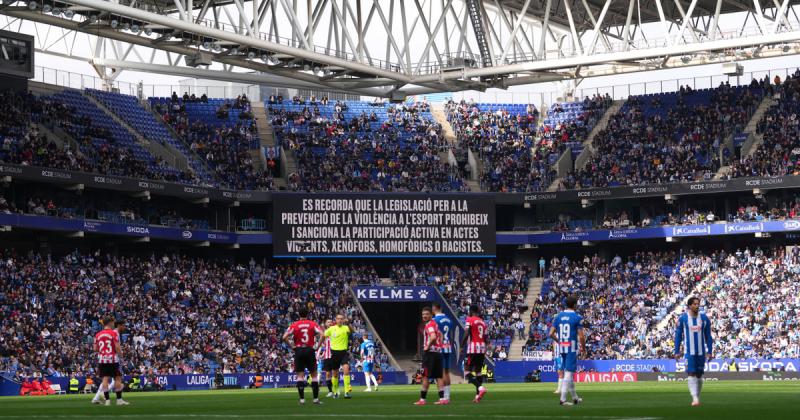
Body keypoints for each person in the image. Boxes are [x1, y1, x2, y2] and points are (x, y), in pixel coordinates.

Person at [674, 296, 713, 407]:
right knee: (691, 373)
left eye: (698, 304)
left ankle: (697, 397)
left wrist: (710, 351)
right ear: (690, 305)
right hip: (689, 352)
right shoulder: (683, 319)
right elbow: (678, 336)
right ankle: (695, 398)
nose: (697, 306)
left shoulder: (704, 319)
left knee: (699, 375)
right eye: (695, 304)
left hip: (701, 352)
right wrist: (676, 351)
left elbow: (708, 336)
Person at [282, 307, 324, 405]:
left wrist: (292, 346)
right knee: (313, 375)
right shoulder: (313, 324)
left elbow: (284, 337)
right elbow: (323, 334)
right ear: (307, 314)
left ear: (299, 314)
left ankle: (302, 400)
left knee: (300, 376)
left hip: (299, 350)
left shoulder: (294, 325)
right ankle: (315, 399)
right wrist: (317, 347)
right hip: (310, 350)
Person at [549, 295, 585, 406]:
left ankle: (575, 398)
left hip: (562, 347)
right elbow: (582, 336)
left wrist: (559, 341)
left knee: (568, 373)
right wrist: (583, 348)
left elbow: (550, 333)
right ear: (574, 305)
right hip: (571, 347)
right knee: (569, 374)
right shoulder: (577, 317)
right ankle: (563, 399)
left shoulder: (558, 316)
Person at [92, 317, 129, 406]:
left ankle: (107, 401)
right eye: (112, 322)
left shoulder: (97, 334)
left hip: (102, 359)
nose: (113, 324)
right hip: (112, 358)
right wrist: (121, 356)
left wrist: (103, 351)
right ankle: (119, 400)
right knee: (117, 378)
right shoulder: (113, 333)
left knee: (105, 378)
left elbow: (95, 349)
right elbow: (117, 347)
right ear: (110, 323)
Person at [414, 307, 446, 405]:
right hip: (438, 353)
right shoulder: (435, 324)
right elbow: (440, 335)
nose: (424, 316)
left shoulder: (429, 325)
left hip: (430, 354)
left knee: (425, 376)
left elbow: (433, 337)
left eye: (427, 314)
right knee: (438, 377)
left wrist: (427, 346)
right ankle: (442, 399)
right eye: (423, 314)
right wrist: (439, 345)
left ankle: (422, 400)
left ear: (431, 315)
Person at [462, 305, 488, 403]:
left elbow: (467, 332)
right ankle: (477, 396)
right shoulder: (483, 322)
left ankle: (480, 388)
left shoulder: (470, 319)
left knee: (467, 371)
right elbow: (485, 338)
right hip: (482, 348)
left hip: (473, 347)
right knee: (478, 372)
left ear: (471, 311)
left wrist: (461, 345)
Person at [324, 314, 352, 399]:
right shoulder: (331, 329)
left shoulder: (346, 327)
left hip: (343, 353)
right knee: (335, 374)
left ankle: (347, 392)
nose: (340, 320)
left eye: (341, 319)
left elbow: (352, 331)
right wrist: (318, 346)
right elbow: (323, 335)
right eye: (338, 319)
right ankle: (335, 392)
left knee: (346, 371)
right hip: (334, 353)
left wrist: (349, 323)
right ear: (335, 320)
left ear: (343, 320)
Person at [432, 303, 452, 402]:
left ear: (434, 308)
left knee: (441, 372)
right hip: (448, 346)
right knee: (447, 372)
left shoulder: (435, 320)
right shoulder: (449, 319)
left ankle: (443, 397)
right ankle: (447, 396)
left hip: (440, 347)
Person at [316, 319, 334, 397]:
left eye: (330, 322)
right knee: (327, 374)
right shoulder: (324, 333)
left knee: (335, 373)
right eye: (328, 322)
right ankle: (330, 391)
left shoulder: (335, 331)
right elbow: (322, 342)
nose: (329, 323)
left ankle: (336, 390)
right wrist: (318, 349)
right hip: (327, 356)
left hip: (335, 355)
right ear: (326, 324)